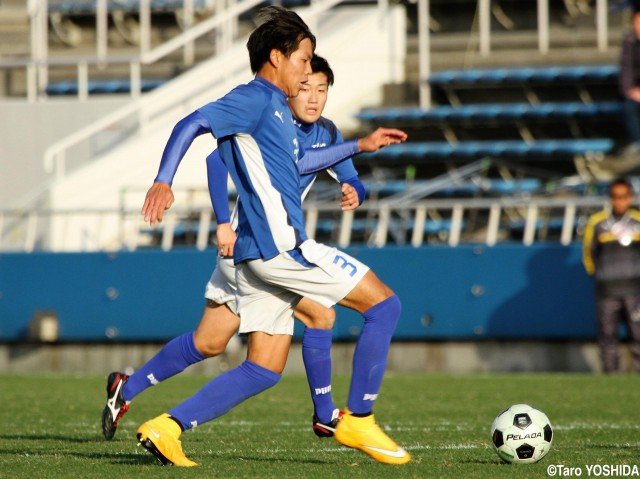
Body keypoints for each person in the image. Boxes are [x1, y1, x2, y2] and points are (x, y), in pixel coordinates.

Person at [137, 5, 410, 467]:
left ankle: (166, 427)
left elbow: (299, 166)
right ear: (277, 57)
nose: (308, 73)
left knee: (263, 368)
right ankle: (357, 417)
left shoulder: (278, 114)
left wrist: (355, 153)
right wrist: (164, 179)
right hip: (280, 245)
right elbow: (192, 124)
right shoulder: (256, 98)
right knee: (384, 305)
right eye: (304, 60)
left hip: (254, 255)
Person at [101, 54, 367, 442]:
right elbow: (215, 161)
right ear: (290, 85)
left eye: (322, 89)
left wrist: (353, 190)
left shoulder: (326, 131)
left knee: (208, 343)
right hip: (255, 249)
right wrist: (223, 223)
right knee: (320, 316)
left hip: (255, 252)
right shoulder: (269, 118)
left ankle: (127, 386)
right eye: (305, 86)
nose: (312, 97)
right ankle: (325, 414)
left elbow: (352, 175)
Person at [582, 178, 640, 373]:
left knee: (638, 334)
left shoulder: (638, 222)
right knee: (607, 336)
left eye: (623, 197)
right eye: (615, 197)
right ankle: (610, 379)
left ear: (630, 198)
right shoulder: (597, 223)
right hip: (607, 290)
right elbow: (588, 255)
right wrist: (599, 276)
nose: (619, 202)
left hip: (635, 290)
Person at [619, 8, 640, 156]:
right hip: (636, 92)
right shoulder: (629, 42)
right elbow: (626, 69)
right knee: (629, 107)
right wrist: (630, 90)